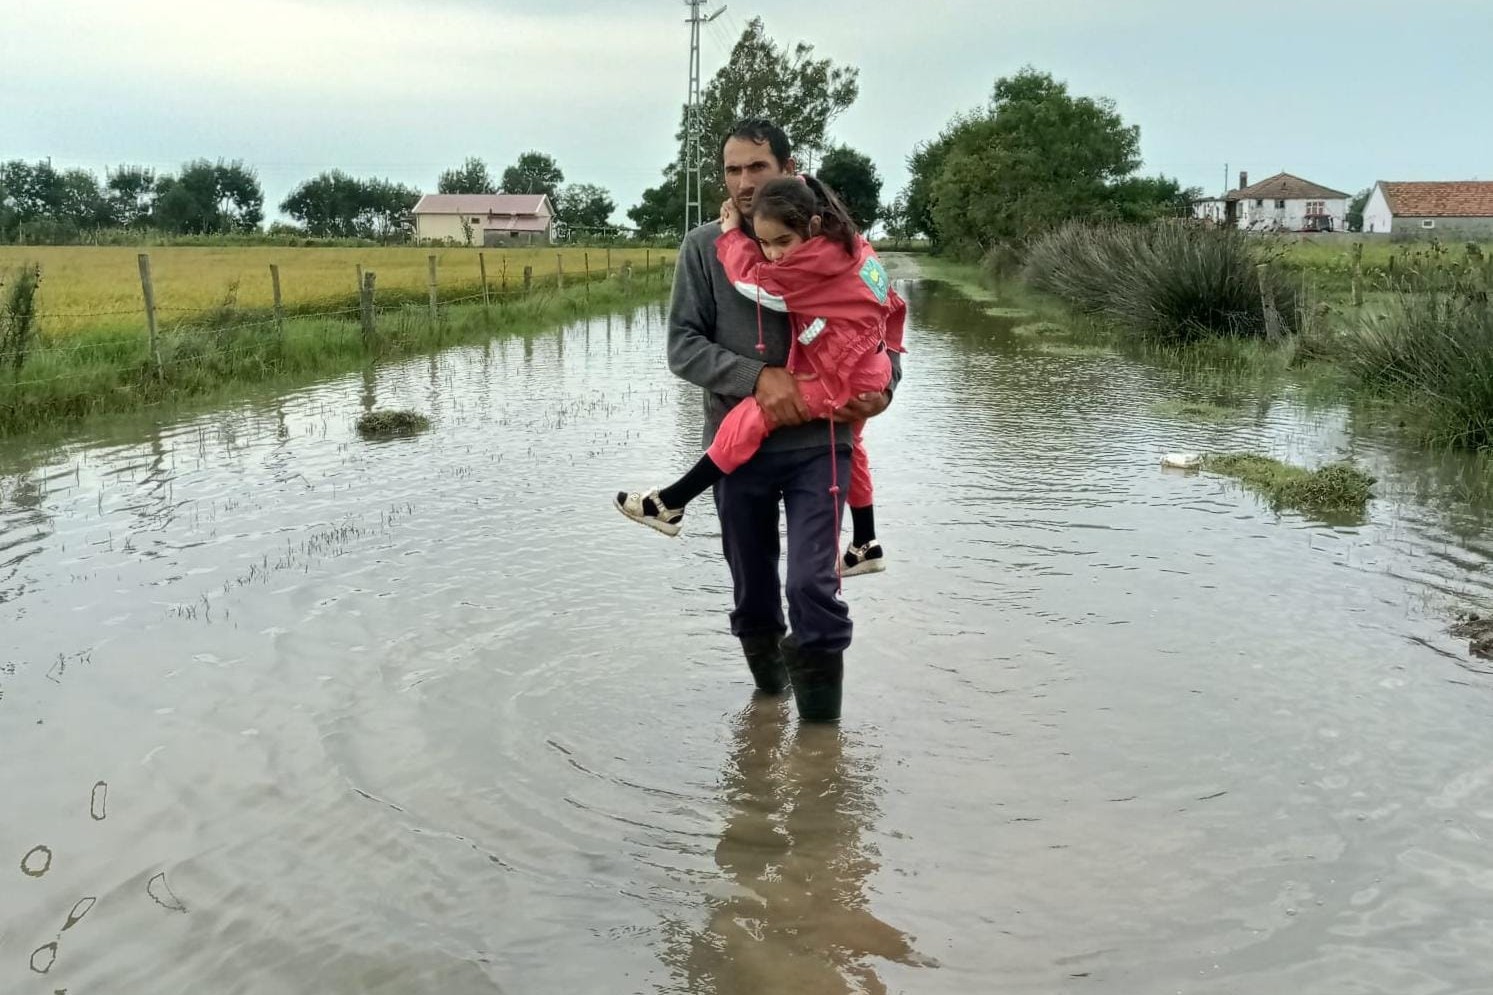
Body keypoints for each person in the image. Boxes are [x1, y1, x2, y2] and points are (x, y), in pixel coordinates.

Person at [639, 118, 901, 723]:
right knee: (754, 595)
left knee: (812, 585)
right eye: (732, 170)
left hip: (821, 444)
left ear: (787, 168)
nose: (744, 181)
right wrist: (757, 377)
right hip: (738, 454)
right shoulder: (703, 249)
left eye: (757, 167)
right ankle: (768, 709)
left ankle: (821, 742)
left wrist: (886, 385)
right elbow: (682, 345)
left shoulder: (840, 245)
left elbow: (878, 325)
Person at [615, 174, 906, 586]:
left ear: (812, 225)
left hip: (842, 375)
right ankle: (865, 541)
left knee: (754, 413)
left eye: (781, 242)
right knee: (854, 443)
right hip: (864, 366)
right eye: (764, 243)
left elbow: (754, 284)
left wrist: (733, 235)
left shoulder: (812, 266)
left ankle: (673, 500)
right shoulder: (855, 248)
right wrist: (885, 374)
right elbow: (892, 307)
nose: (772, 255)